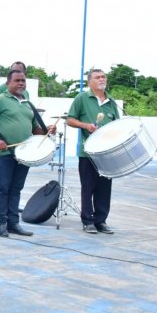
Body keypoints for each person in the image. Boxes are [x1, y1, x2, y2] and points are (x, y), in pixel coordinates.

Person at [0, 69, 55, 238]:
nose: (21, 83)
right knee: (2, 188)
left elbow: (36, 129)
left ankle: (13, 223)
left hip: (24, 154)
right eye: (17, 80)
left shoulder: (28, 104)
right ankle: (1, 223)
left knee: (16, 189)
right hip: (4, 154)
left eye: (23, 80)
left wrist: (47, 130)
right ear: (8, 83)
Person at [66, 69, 120, 234]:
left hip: (107, 154)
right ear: (90, 82)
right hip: (88, 153)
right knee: (88, 187)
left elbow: (117, 125)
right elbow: (70, 119)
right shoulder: (82, 98)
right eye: (97, 77)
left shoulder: (111, 101)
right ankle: (88, 221)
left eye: (103, 76)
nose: (102, 79)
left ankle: (101, 221)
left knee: (104, 188)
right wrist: (86, 126)